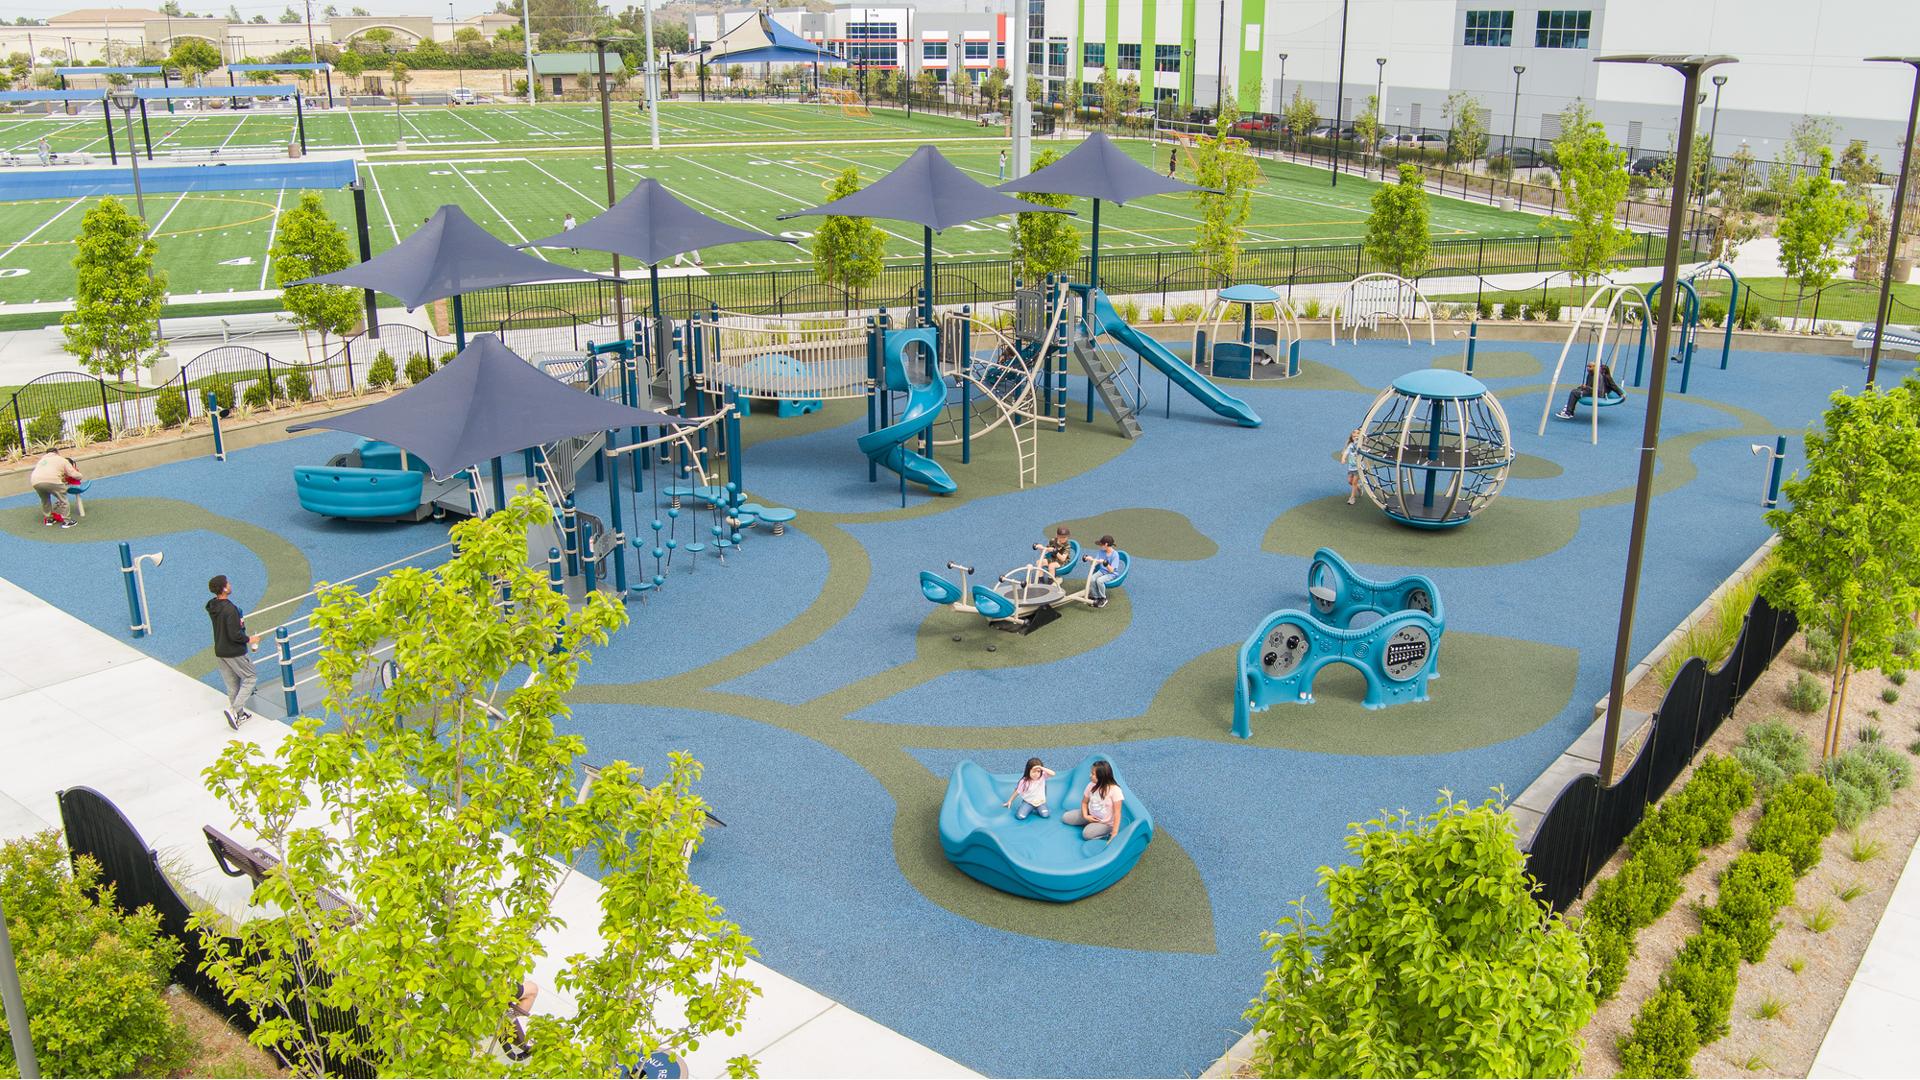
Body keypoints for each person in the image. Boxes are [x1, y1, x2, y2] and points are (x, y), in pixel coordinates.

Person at [207, 575, 263, 730]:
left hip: (220, 650)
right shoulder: (230, 610)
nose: (230, 585)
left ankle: (239, 715)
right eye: (228, 583)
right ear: (224, 588)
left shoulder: (212, 606)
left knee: (232, 685)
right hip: (234, 651)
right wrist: (250, 639)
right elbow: (235, 635)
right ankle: (234, 710)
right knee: (250, 677)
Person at [1063, 760, 1122, 841]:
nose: (1090, 775)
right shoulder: (1091, 785)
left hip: (1105, 823)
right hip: (1090, 815)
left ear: (1101, 776)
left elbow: (1117, 813)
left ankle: (1105, 831)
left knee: (1086, 834)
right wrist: (1085, 816)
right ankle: (1089, 823)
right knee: (1065, 817)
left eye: (1093, 774)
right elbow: (1084, 802)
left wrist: (1114, 833)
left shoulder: (1115, 790)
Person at [30, 447, 82, 528]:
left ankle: (49, 519)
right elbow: (73, 473)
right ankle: (67, 521)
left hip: (35, 481)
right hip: (52, 480)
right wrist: (80, 476)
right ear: (57, 452)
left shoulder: (42, 461)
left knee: (45, 500)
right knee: (63, 499)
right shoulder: (61, 460)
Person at [1556, 361, 1622, 419]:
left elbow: (1598, 390)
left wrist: (1586, 387)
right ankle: (1570, 408)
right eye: (1587, 366)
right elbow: (1589, 386)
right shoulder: (1590, 374)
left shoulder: (1598, 377)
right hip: (1591, 391)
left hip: (1598, 394)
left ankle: (1568, 413)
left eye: (1590, 367)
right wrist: (1583, 387)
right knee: (1576, 389)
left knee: (1574, 393)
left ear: (1595, 367)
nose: (1588, 368)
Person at [1085, 535, 1121, 609]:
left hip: (1111, 574)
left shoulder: (1115, 555)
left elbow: (1112, 570)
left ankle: (1103, 598)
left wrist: (1106, 563)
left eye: (1101, 544)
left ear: (1106, 544)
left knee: (1099, 580)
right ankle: (1096, 597)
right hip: (1102, 571)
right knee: (1091, 579)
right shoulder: (1101, 552)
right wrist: (1090, 559)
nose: (1100, 546)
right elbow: (1095, 562)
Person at [1340, 428, 1364, 505]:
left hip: (1359, 467)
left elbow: (1366, 444)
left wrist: (1360, 439)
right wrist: (1343, 458)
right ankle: (1359, 487)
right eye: (1354, 434)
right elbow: (1346, 452)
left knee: (1354, 482)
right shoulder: (1350, 445)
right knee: (1350, 481)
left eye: (1357, 434)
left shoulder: (1361, 445)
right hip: (1351, 467)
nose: (1355, 435)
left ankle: (1352, 498)